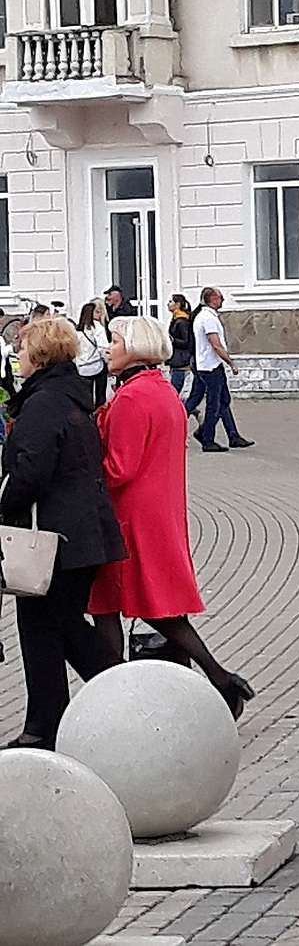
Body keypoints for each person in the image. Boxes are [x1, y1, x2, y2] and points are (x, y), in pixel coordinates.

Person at [87, 316, 255, 716]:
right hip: (160, 510)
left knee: (110, 604)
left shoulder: (130, 398)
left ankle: (118, 695)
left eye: (114, 341)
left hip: (128, 516)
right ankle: (214, 678)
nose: (108, 348)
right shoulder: (161, 390)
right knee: (156, 605)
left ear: (134, 348)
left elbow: (118, 468)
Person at [1, 318, 124, 749]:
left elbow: (30, 472)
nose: (17, 356)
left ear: (39, 356)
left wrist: (3, 503)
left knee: (46, 630)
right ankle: (56, 720)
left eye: (22, 349)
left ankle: (116, 699)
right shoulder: (70, 397)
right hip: (79, 536)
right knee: (60, 628)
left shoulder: (42, 405)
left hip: (53, 538)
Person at [192, 287, 253, 453]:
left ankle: (232, 436)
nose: (222, 300)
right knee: (215, 403)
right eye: (220, 297)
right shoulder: (208, 318)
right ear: (212, 299)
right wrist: (230, 362)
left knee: (223, 400)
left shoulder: (204, 316)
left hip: (208, 365)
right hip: (210, 366)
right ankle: (207, 437)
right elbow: (215, 344)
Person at [74, 300, 110, 408]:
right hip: (97, 365)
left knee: (85, 395)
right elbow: (102, 346)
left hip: (82, 367)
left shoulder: (77, 330)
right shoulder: (97, 327)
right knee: (100, 395)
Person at [167, 294, 195, 395]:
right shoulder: (176, 319)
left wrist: (172, 340)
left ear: (178, 304)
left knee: (176, 387)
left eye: (171, 302)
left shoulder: (182, 321)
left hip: (180, 360)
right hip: (177, 359)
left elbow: (185, 341)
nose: (168, 304)